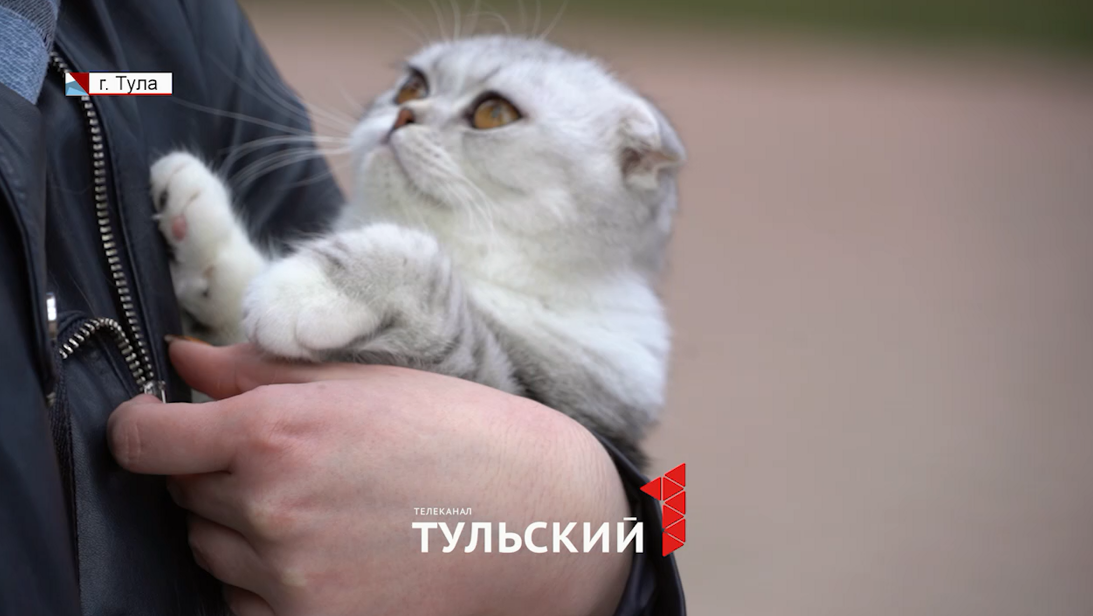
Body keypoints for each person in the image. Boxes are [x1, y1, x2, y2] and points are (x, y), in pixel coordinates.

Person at [0, 1, 684, 614]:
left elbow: (672, 512)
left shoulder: (159, 28)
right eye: (413, 86)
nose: (410, 113)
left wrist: (603, 553)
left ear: (633, 161)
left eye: (491, 113)